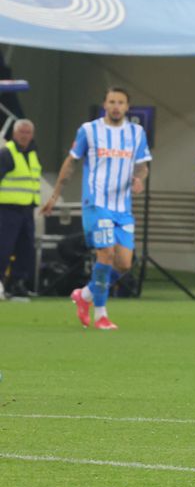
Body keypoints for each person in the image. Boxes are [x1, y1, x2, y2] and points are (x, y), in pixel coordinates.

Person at [42, 87, 151, 331]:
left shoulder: (137, 132)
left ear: (127, 106)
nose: (116, 106)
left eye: (120, 102)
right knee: (106, 254)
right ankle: (101, 315)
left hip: (123, 207)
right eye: (112, 101)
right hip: (96, 203)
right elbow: (71, 163)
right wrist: (55, 195)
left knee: (123, 264)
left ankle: (86, 295)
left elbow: (142, 166)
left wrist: (139, 179)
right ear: (104, 104)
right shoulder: (89, 131)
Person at [0, 120, 40, 298]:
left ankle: (17, 284)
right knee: (4, 248)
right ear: (14, 134)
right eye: (22, 132)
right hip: (7, 209)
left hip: (27, 210)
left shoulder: (33, 154)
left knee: (26, 249)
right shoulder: (6, 153)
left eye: (28, 132)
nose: (25, 136)